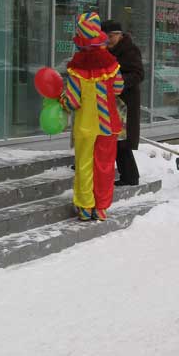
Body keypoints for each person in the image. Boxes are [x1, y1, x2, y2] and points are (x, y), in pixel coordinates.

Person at [60, 12, 124, 221]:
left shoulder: (76, 68)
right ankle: (101, 208)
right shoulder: (112, 64)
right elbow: (118, 88)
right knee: (104, 167)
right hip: (108, 124)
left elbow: (72, 101)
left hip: (86, 126)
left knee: (84, 165)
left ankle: (86, 207)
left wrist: (60, 100)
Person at [101, 19, 144, 186]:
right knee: (110, 138)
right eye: (106, 36)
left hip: (125, 103)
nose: (109, 39)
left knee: (122, 141)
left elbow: (139, 74)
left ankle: (130, 176)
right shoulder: (104, 50)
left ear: (120, 35)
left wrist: (118, 81)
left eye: (112, 36)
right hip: (108, 100)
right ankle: (127, 175)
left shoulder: (130, 51)